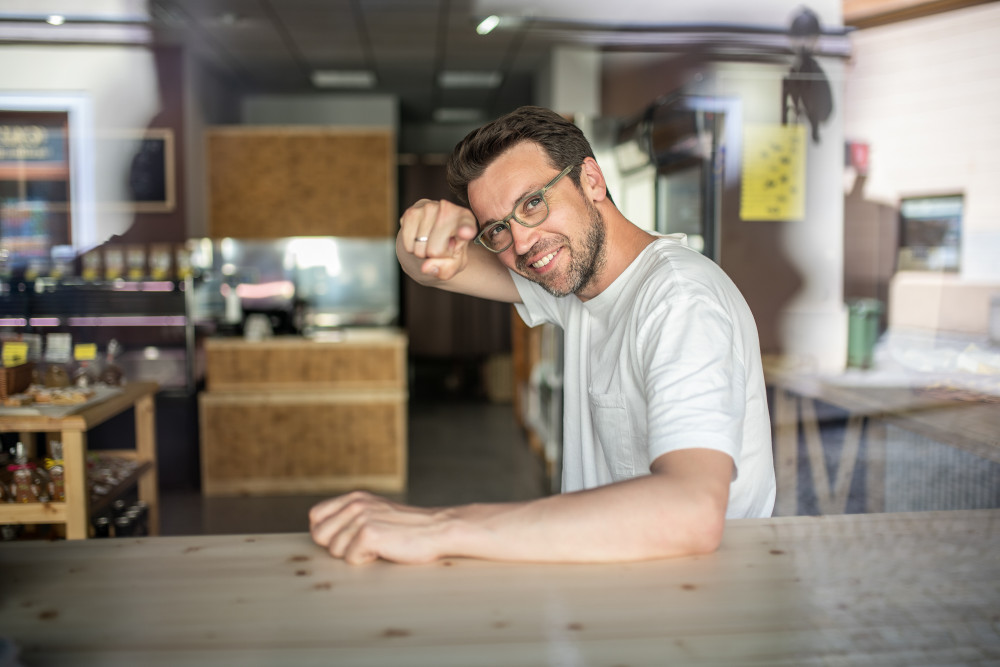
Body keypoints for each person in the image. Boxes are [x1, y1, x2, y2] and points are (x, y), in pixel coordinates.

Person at [310, 106, 775, 565]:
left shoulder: (679, 302)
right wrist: (418, 228)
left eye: (532, 203)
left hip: (695, 600)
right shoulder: (574, 280)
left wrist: (443, 527)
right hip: (619, 589)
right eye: (498, 229)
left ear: (591, 180)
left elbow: (694, 510)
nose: (522, 243)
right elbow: (430, 269)